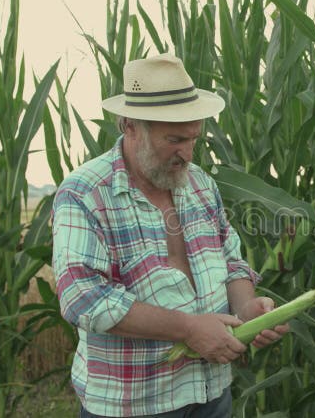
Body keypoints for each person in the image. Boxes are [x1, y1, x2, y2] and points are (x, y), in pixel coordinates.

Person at [52, 53, 288, 417]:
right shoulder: (86, 193)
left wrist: (247, 309)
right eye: (175, 139)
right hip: (133, 404)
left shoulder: (200, 185)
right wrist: (189, 330)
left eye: (194, 138)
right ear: (130, 126)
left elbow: (231, 260)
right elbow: (82, 297)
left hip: (211, 393)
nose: (188, 152)